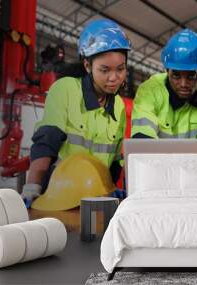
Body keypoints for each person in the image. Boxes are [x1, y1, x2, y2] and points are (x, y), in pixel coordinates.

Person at [21, 19, 130, 207]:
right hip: (60, 194)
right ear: (87, 65)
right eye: (104, 70)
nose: (114, 78)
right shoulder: (66, 90)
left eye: (120, 69)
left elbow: (114, 162)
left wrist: (111, 190)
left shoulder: (119, 106)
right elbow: (47, 141)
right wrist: (32, 185)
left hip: (96, 197)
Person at [131, 29, 197, 139]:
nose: (183, 84)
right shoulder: (149, 91)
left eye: (191, 76)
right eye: (176, 76)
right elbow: (143, 141)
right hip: (158, 157)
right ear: (167, 71)